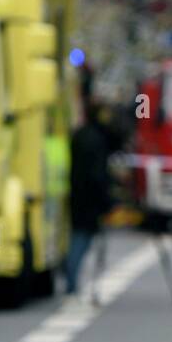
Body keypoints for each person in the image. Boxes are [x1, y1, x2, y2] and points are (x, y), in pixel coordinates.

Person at [64, 101, 110, 295]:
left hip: (77, 194)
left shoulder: (80, 135)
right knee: (81, 239)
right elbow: (96, 174)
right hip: (89, 199)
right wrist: (104, 200)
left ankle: (71, 280)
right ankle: (71, 281)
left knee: (79, 236)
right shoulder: (95, 139)